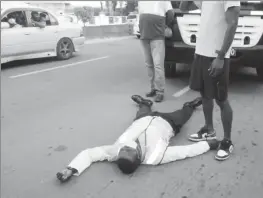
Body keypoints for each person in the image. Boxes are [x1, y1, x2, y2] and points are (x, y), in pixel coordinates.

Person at [56, 95, 220, 182]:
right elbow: (186, 151)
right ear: (138, 156)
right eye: (130, 150)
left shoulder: (117, 151)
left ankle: (145, 102)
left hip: (142, 120)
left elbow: (89, 154)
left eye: (124, 149)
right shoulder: (156, 157)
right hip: (168, 123)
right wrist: (209, 145)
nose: (126, 146)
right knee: (184, 114)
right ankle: (190, 105)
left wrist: (71, 168)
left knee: (143, 109)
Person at [180, 1, 240, 161]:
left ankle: (227, 140)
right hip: (201, 53)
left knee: (221, 99)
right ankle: (209, 129)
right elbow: (183, 7)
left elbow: (233, 23)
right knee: (205, 95)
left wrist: (221, 56)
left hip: (216, 55)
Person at [138, 1, 174, 103]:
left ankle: (160, 92)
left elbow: (171, 13)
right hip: (144, 36)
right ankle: (153, 88)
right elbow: (141, 16)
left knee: (158, 65)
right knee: (149, 64)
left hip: (157, 37)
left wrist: (165, 25)